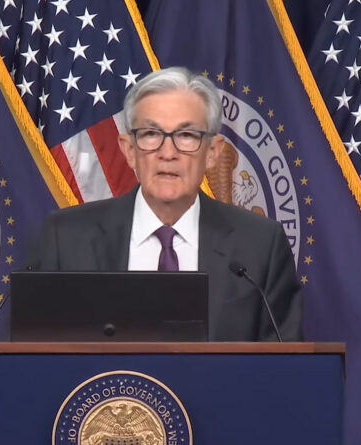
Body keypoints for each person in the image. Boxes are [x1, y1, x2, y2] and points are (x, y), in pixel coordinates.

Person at [29, 67, 302, 341]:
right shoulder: (66, 239)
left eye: (186, 136)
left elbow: (284, 360)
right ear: (129, 150)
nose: (168, 153)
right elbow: (29, 354)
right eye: (151, 134)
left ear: (212, 153)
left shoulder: (260, 246)